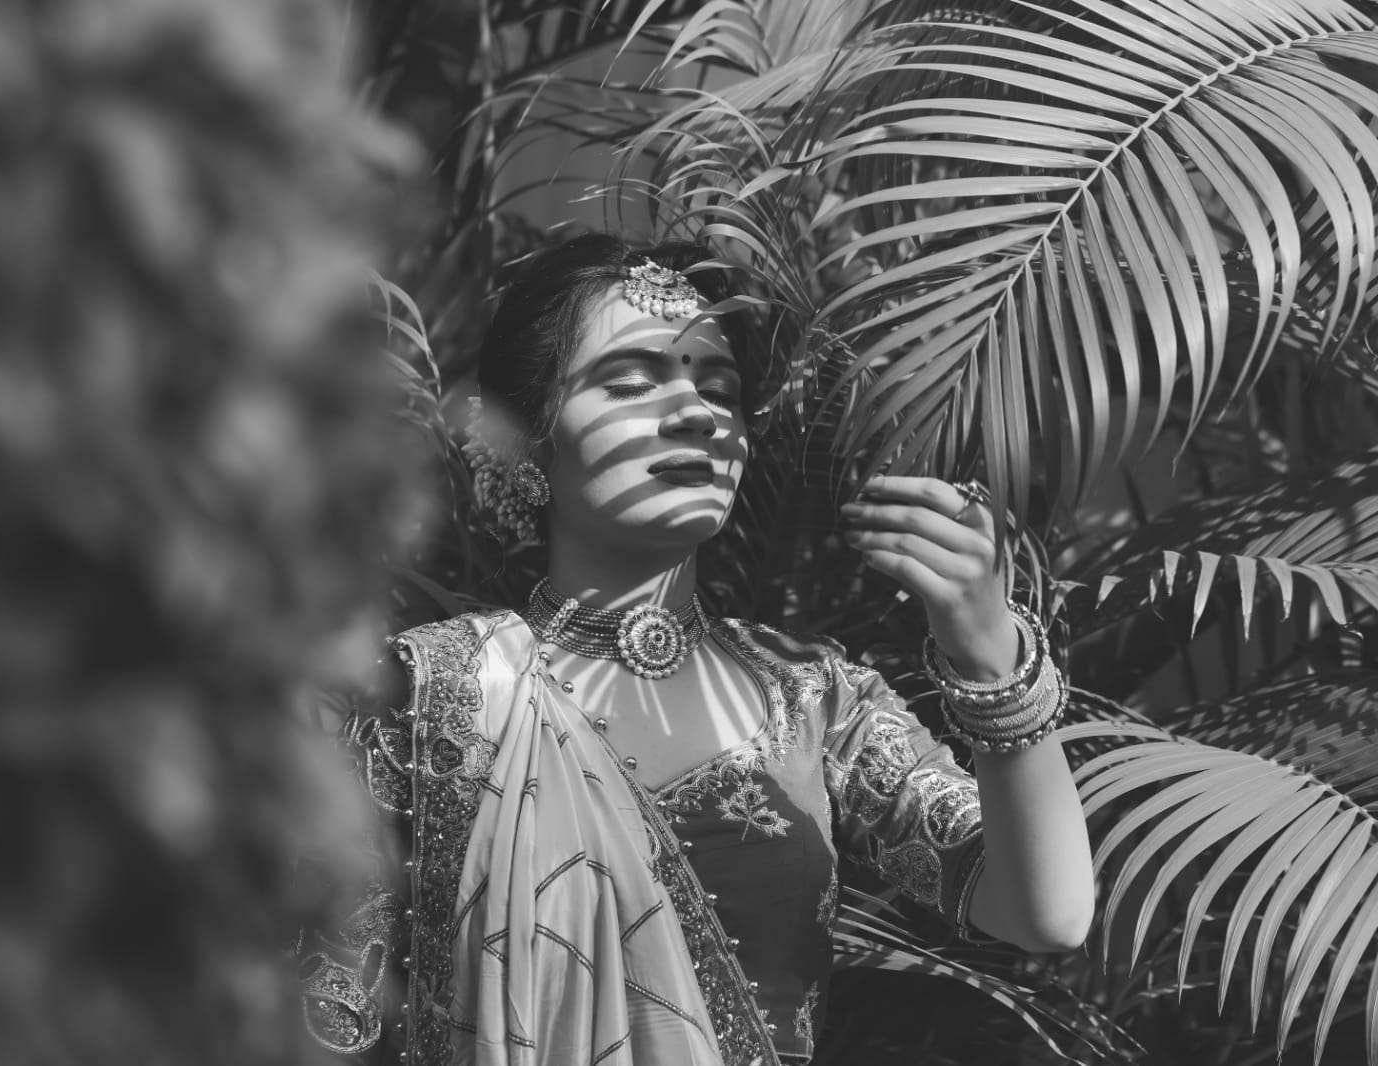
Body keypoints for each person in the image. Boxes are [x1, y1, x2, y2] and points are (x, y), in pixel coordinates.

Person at [300, 234, 1095, 1066]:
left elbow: (1044, 912)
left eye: (720, 390)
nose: (696, 414)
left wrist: (992, 660)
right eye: (630, 382)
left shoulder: (815, 700)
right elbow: (324, 1015)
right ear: (531, 443)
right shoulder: (431, 693)